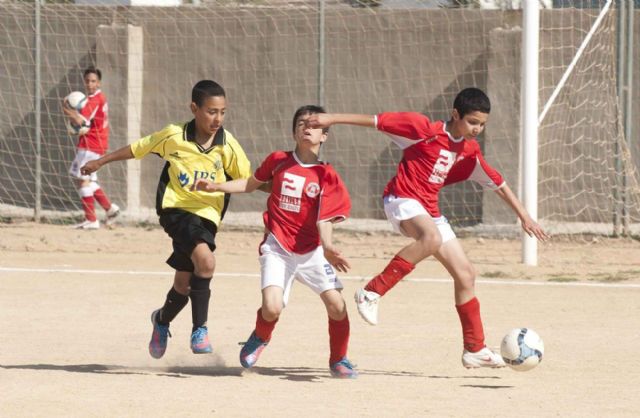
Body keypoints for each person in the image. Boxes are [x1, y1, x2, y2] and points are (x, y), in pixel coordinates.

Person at [307, 88, 548, 369]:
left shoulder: (469, 150)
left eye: (482, 124)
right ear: (455, 114)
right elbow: (375, 121)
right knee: (431, 237)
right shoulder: (422, 129)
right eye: (472, 122)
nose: (477, 129)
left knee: (466, 274)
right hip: (401, 199)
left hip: (429, 211)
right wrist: (332, 119)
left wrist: (525, 217)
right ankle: (371, 292)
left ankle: (475, 348)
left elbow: (498, 183)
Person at [81, 80, 252, 358]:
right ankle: (200, 330)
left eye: (222, 112)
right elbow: (138, 148)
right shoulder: (174, 135)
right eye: (211, 111)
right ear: (194, 108)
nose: (218, 118)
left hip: (208, 217)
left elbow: (249, 180)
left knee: (184, 285)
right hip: (176, 210)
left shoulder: (228, 145)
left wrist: (281, 184)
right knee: (206, 262)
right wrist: (101, 161)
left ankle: (160, 320)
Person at [192, 105, 358, 378]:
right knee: (272, 308)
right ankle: (260, 336)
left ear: (324, 135)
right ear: (294, 132)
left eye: (314, 125)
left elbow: (325, 218)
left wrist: (328, 246)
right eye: (302, 124)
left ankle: (339, 359)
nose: (307, 128)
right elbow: (250, 184)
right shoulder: (278, 160)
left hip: (311, 251)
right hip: (277, 248)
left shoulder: (327, 175)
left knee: (337, 306)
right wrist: (216, 186)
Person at [62, 66, 120, 230]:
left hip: (91, 144)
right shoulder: (98, 98)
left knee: (83, 180)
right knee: (90, 180)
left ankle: (91, 219)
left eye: (93, 81)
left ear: (99, 82)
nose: (90, 84)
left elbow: (81, 121)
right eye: (87, 81)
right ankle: (110, 210)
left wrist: (66, 107)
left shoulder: (94, 100)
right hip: (96, 143)